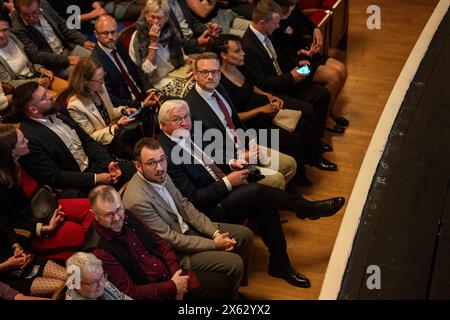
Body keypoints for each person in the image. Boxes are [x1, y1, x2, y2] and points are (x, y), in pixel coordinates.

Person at [157, 99, 346, 288]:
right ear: (163, 124)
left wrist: (232, 162)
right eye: (176, 119)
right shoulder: (166, 156)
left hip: (222, 186)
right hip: (207, 210)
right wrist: (227, 182)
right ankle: (307, 209)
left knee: (265, 204)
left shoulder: (191, 132)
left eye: (186, 117)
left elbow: (211, 156)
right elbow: (193, 200)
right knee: (256, 191)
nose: (184, 122)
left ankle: (280, 264)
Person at [122, 137, 252, 294]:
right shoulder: (138, 200)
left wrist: (214, 233)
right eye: (151, 163)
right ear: (138, 166)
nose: (160, 167)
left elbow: (185, 206)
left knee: (245, 235)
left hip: (188, 230)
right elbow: (171, 239)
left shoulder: (162, 174)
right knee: (235, 263)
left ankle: (237, 288)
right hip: (179, 252)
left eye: (162, 160)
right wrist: (214, 244)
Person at [214, 33, 337, 172]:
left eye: (242, 49)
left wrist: (267, 94)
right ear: (223, 55)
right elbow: (233, 117)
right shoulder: (221, 83)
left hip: (261, 108)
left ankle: (313, 156)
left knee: (303, 123)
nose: (243, 54)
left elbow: (250, 85)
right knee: (294, 138)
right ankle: (300, 173)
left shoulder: (240, 66)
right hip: (249, 124)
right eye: (237, 51)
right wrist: (261, 109)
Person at [89, 185, 238, 299]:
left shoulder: (129, 215)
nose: (117, 218)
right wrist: (172, 287)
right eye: (108, 214)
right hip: (155, 293)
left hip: (172, 274)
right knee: (221, 285)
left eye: (118, 209)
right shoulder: (101, 251)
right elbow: (130, 292)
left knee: (224, 282)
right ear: (94, 215)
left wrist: (176, 278)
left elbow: (162, 244)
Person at [186, 52, 299, 190]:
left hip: (243, 145)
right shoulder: (191, 107)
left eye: (215, 72)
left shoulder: (218, 88)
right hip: (231, 162)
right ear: (195, 74)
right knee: (276, 179)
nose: (210, 77)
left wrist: (251, 142)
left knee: (290, 164)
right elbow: (205, 150)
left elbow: (235, 120)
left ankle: (266, 200)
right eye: (205, 72)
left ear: (220, 74)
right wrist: (239, 156)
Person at [11, 82, 135, 198]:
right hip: (79, 185)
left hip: (95, 166)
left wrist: (108, 162)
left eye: (47, 92)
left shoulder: (58, 110)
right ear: (33, 109)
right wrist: (96, 178)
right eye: (44, 97)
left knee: (138, 171)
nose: (50, 96)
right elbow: (55, 176)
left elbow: (86, 140)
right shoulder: (29, 137)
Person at [0, 123, 94, 259]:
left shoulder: (23, 158)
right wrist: (44, 228)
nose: (27, 141)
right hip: (34, 225)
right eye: (22, 141)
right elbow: (10, 221)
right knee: (79, 233)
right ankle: (87, 256)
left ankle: (89, 251)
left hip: (48, 204)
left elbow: (43, 183)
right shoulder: (2, 185)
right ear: (11, 151)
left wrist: (54, 203)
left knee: (93, 207)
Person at [241, 0, 331, 142]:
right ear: (262, 22)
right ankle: (313, 152)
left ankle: (317, 140)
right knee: (307, 109)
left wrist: (297, 63)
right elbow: (262, 82)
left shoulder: (266, 32)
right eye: (275, 23)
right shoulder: (249, 46)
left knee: (323, 94)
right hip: (272, 92)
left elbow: (279, 56)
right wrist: (291, 77)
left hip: (283, 80)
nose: (278, 26)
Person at [272, 0, 349, 133]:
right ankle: (325, 117)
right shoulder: (273, 21)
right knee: (334, 78)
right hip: (296, 67)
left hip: (307, 55)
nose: (291, 8)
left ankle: (329, 110)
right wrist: (299, 55)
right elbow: (280, 55)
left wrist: (316, 29)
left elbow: (304, 20)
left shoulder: (292, 8)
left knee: (342, 70)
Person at [65, 57, 147, 159]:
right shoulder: (75, 106)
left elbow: (109, 112)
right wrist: (117, 126)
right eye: (99, 80)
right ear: (84, 81)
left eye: (103, 77)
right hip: (106, 146)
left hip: (117, 134)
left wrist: (123, 110)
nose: (103, 83)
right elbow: (91, 137)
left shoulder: (99, 87)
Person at [11, 0, 95, 79]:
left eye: (35, 12)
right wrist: (67, 59)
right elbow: (36, 55)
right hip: (54, 63)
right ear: (18, 12)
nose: (32, 18)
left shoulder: (44, 4)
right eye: (26, 15)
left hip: (68, 47)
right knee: (86, 72)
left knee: (97, 56)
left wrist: (83, 41)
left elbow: (63, 25)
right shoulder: (17, 28)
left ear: (39, 5)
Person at [129, 0, 195, 97]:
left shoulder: (169, 29)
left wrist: (189, 60)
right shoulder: (139, 37)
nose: (155, 21)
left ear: (166, 17)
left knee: (201, 83)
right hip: (157, 82)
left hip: (175, 72)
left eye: (159, 18)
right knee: (192, 92)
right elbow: (146, 73)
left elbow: (179, 52)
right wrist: (153, 43)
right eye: (152, 17)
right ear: (147, 15)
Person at [92, 15, 159, 110]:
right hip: (130, 109)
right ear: (96, 34)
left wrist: (150, 90)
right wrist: (141, 104)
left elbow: (135, 70)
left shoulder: (117, 44)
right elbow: (111, 99)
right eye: (105, 33)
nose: (110, 37)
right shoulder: (96, 62)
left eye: (113, 32)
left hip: (144, 97)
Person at [0, 11, 67, 97]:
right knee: (53, 99)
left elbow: (29, 64)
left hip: (34, 75)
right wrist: (36, 81)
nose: (1, 35)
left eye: (5, 30)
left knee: (68, 89)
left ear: (10, 28)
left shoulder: (13, 37)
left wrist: (41, 69)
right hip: (21, 88)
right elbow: (9, 84)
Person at [0, 214, 67, 298]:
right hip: (11, 278)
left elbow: (7, 228)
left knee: (72, 278)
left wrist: (16, 246)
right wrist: (8, 264)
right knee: (63, 287)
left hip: (25, 258)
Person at [65, 252, 131, 300]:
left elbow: (122, 297)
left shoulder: (99, 279)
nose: (102, 284)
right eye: (93, 282)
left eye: (102, 275)